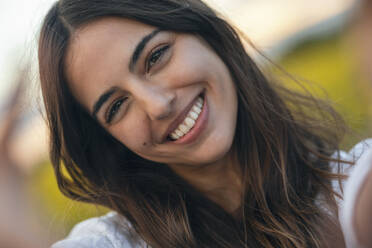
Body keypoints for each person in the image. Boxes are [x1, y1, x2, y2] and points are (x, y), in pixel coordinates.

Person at [37, 0, 372, 247]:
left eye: (156, 56)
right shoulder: (113, 242)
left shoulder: (357, 183)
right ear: (110, 140)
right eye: (117, 106)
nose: (157, 105)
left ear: (206, 34)